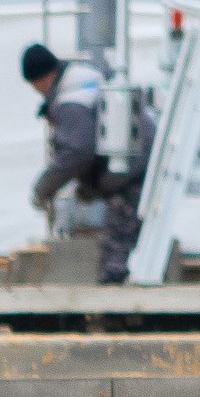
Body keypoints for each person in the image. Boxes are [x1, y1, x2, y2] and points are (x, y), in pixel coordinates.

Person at [21, 40, 139, 283]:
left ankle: (114, 311)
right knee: (129, 245)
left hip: (129, 175)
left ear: (40, 80)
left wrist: (42, 189)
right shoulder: (86, 79)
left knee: (115, 256)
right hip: (136, 166)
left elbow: (76, 151)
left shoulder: (70, 100)